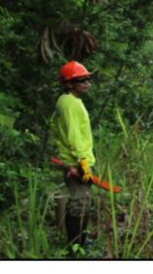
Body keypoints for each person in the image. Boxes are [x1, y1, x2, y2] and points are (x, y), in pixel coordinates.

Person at [50, 60, 95, 250]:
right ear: (69, 83)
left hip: (75, 159)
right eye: (81, 80)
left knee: (84, 201)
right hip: (76, 162)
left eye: (87, 79)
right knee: (81, 202)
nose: (87, 83)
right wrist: (82, 162)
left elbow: (55, 127)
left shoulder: (67, 101)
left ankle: (80, 244)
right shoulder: (70, 104)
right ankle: (76, 248)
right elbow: (74, 135)